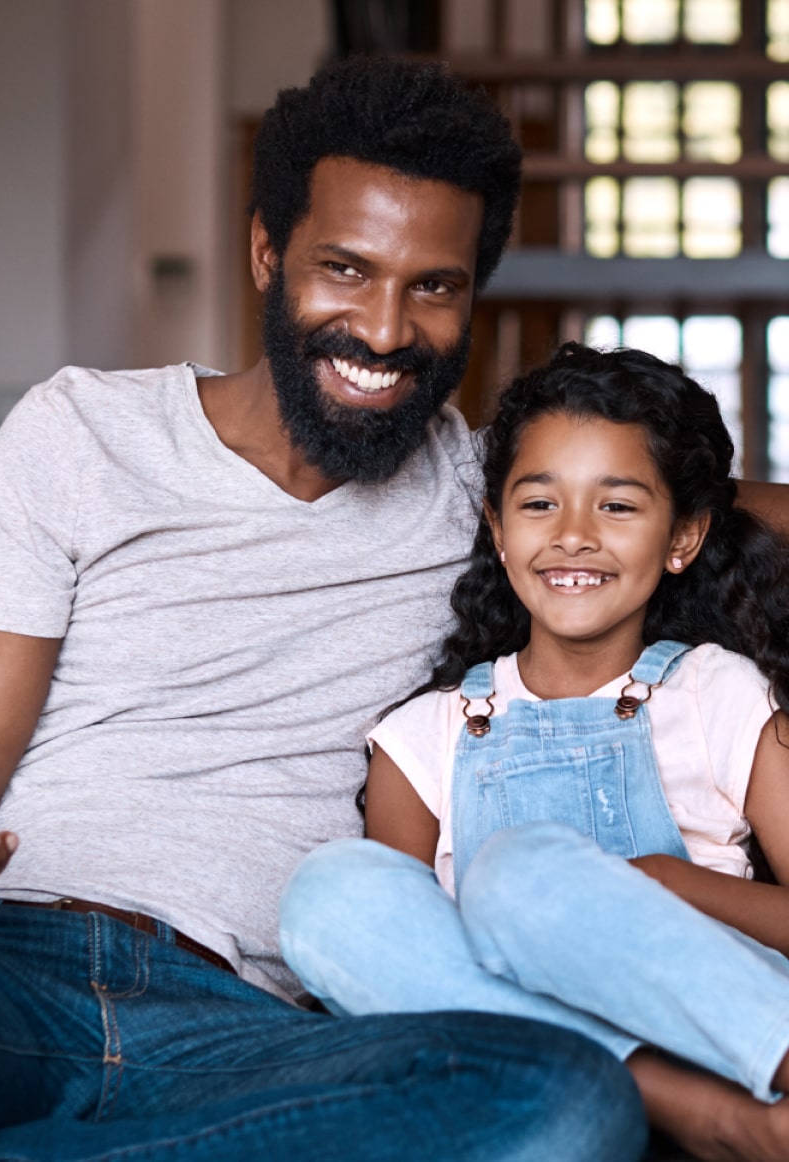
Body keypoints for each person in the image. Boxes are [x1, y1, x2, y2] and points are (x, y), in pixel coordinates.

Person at [0, 59, 649, 1162]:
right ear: (269, 252)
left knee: (568, 1099)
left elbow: (691, 496)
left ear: (472, 295)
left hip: (250, 1034)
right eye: (345, 270)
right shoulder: (80, 433)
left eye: (434, 287)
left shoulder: (499, 497)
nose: (386, 328)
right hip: (0, 974)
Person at [279, 342, 789, 1162]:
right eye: (541, 504)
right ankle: (687, 1110)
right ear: (498, 528)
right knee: (327, 894)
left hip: (737, 1043)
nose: (574, 538)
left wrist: (665, 885)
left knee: (523, 878)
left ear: (682, 536)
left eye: (618, 507)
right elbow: (408, 967)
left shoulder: (713, 692)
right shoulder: (426, 737)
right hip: (533, 1079)